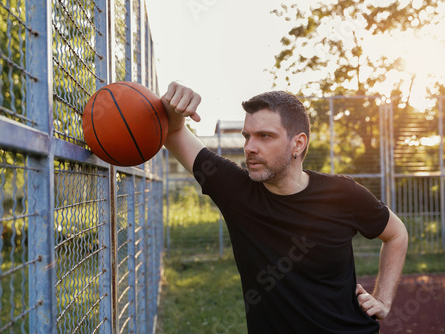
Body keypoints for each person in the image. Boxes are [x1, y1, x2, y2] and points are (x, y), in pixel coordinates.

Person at [161, 81, 408, 334]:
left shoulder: (342, 194)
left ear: (298, 144)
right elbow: (173, 132)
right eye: (248, 136)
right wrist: (175, 108)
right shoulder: (235, 191)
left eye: (264, 136)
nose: (249, 147)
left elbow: (396, 233)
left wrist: (383, 300)